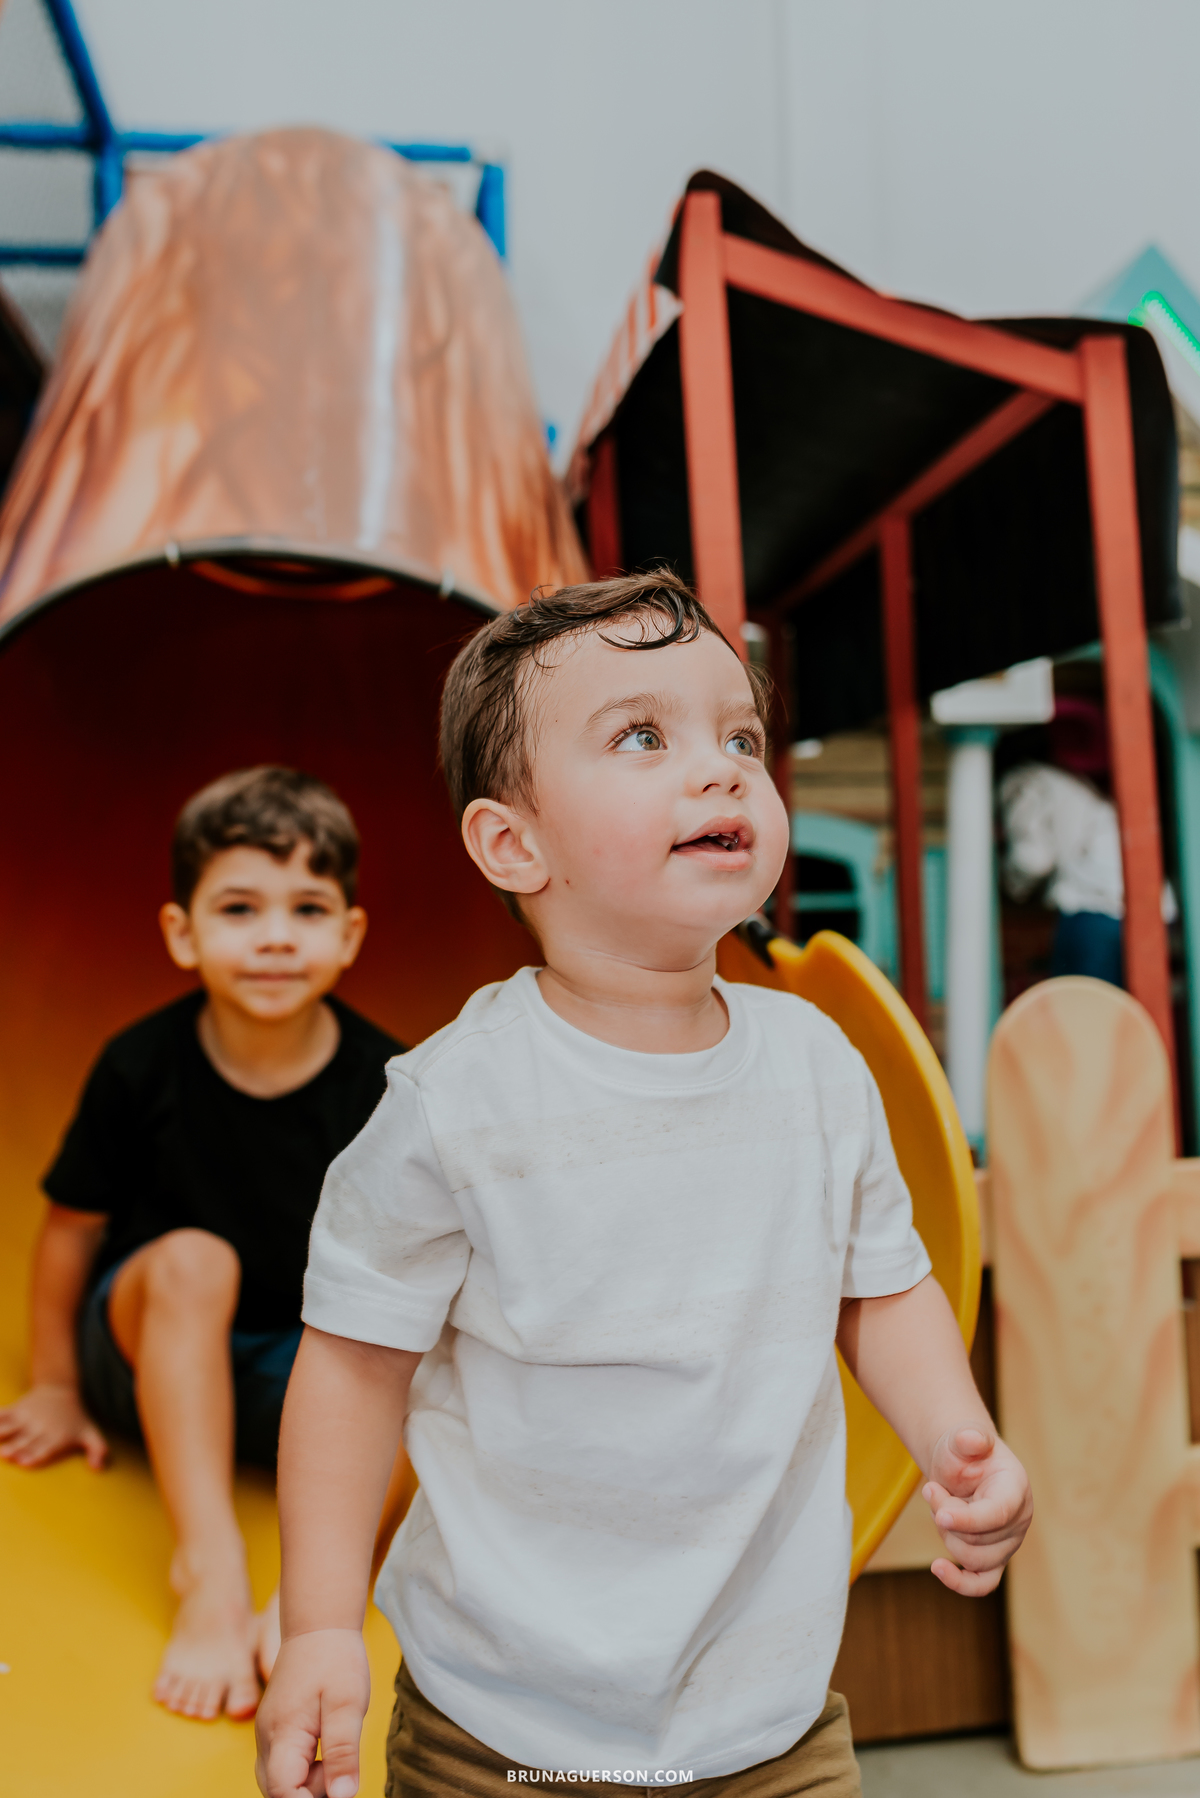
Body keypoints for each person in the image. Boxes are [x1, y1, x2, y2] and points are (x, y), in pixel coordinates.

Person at [256, 573, 1032, 1798]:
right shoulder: (455, 1105)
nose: (722, 770)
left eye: (740, 737)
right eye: (642, 736)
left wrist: (956, 1439)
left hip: (770, 1719)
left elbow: (879, 1289)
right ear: (515, 843)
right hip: (497, 1726)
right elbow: (354, 1367)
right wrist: (314, 1625)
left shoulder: (817, 1067)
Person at [0, 766, 402, 1724]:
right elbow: (71, 1230)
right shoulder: (140, 1065)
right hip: (146, 1356)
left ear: (348, 936)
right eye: (238, 908)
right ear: (183, 933)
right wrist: (55, 1381)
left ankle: (312, 1605)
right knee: (195, 1258)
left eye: (307, 909)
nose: (273, 936)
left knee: (439, 1344)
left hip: (298, 1390)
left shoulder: (386, 1088)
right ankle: (211, 1572)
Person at [998, 694, 1175, 987]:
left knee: (1081, 1013)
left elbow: (1032, 860)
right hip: (1151, 910)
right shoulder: (1086, 790)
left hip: (1094, 911)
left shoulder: (1023, 782)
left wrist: (1010, 886)